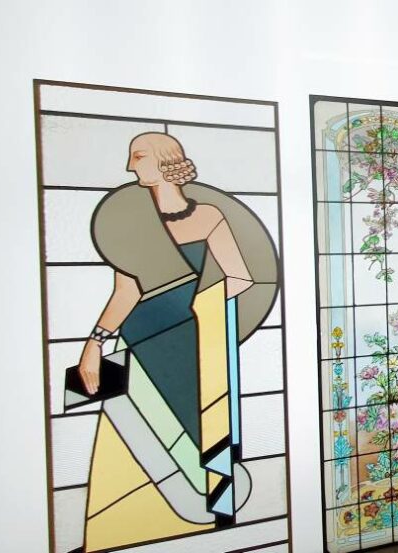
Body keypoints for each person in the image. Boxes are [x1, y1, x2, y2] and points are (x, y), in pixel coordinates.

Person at [71, 132, 277, 551]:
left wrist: (202, 306)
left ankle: (203, 531)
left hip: (198, 342)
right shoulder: (134, 227)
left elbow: (240, 277)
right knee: (133, 437)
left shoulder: (209, 216)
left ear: (167, 160)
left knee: (201, 431)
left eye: (138, 156)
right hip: (143, 343)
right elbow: (125, 292)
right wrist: (95, 343)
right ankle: (125, 536)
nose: (130, 166)